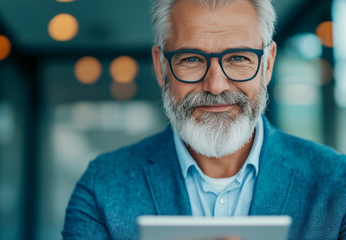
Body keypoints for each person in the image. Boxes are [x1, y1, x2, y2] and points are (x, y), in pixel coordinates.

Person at [62, 0, 346, 239]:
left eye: (237, 58)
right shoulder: (103, 186)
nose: (216, 85)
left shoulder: (338, 182)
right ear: (161, 68)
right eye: (191, 59)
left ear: (268, 64)